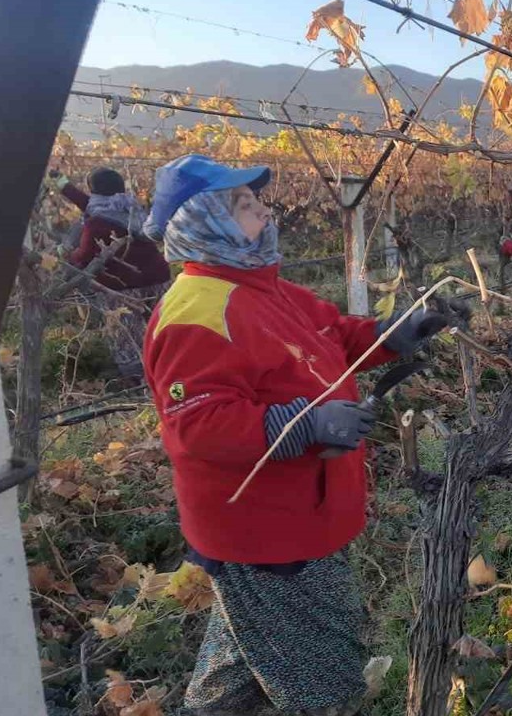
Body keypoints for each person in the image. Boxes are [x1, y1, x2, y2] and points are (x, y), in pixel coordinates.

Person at [140, 154, 447, 716]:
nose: (264, 211)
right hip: (266, 526)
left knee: (247, 642)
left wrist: (394, 334)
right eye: (244, 204)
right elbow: (197, 426)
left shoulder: (263, 286)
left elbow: (332, 334)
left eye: (258, 200)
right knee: (319, 672)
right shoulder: (196, 311)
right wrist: (303, 423)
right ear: (203, 219)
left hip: (298, 512)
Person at [49, 167, 171, 382]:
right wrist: (63, 185)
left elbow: (85, 256)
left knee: (126, 334)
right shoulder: (131, 206)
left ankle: (139, 380)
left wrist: (65, 254)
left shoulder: (97, 223)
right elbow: (90, 204)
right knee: (166, 325)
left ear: (95, 192)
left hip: (122, 287)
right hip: (157, 277)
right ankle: (175, 366)